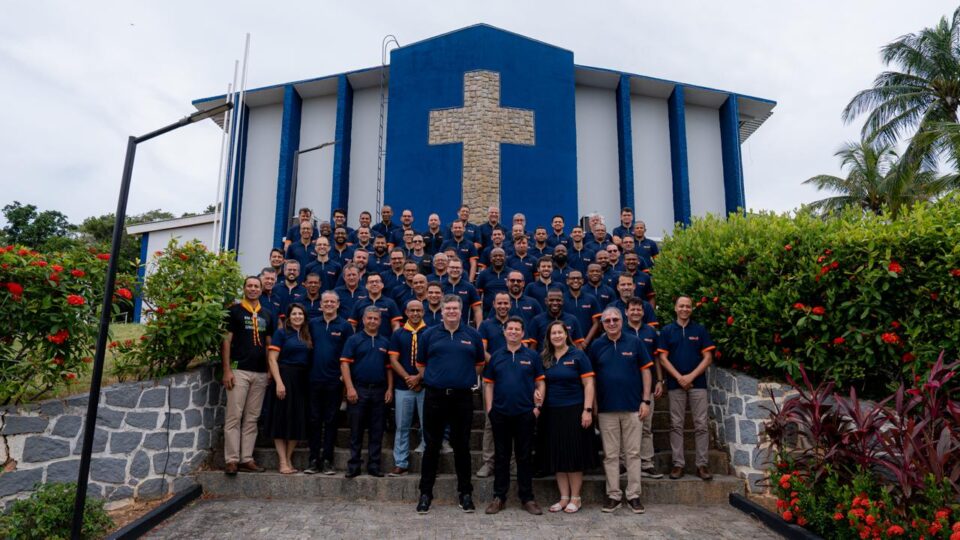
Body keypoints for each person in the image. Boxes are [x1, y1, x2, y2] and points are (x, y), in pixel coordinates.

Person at [415, 295, 485, 514]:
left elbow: (480, 364)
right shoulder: (429, 334)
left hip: (462, 398)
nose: (452, 312)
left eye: (455, 308)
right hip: (435, 397)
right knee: (431, 446)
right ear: (441, 311)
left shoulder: (472, 335)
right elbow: (421, 364)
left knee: (462, 446)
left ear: (461, 311)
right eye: (448, 309)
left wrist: (460, 378)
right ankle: (425, 494)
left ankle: (465, 493)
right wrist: (438, 379)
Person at [589, 307, 653, 514]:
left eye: (615, 319)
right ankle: (613, 495)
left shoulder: (635, 343)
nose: (612, 323)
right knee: (610, 455)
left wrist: (646, 401)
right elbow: (592, 378)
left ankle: (634, 495)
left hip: (633, 407)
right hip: (607, 409)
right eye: (607, 321)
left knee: (633, 453)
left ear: (622, 320)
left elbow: (646, 371)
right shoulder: (596, 346)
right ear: (603, 324)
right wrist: (594, 406)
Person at [482, 316, 545, 515]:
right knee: (501, 457)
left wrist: (537, 407)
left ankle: (527, 498)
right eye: (510, 329)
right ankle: (499, 497)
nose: (514, 332)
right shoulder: (496, 356)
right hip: (500, 414)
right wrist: (490, 409)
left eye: (518, 329)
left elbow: (541, 382)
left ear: (523, 333)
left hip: (525, 413)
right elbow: (489, 384)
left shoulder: (532, 356)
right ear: (504, 332)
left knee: (524, 457)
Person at [537, 320, 596, 513]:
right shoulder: (545, 357)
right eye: (553, 333)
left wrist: (587, 410)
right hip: (552, 412)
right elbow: (538, 382)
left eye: (559, 332)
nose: (556, 336)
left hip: (574, 410)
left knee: (573, 455)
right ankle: (563, 498)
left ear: (566, 334)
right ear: (549, 337)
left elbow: (589, 384)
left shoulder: (578, 355)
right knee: (558, 455)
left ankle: (576, 498)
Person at [221, 276, 276, 475]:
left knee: (252, 418)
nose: (253, 289)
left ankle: (247, 458)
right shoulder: (234, 311)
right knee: (234, 415)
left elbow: (270, 343)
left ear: (262, 290)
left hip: (260, 372)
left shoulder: (268, 314)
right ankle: (232, 459)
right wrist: (227, 369)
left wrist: (271, 369)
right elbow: (226, 341)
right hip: (239, 369)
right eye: (249, 286)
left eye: (256, 286)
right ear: (244, 288)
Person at [658, 296, 716, 481]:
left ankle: (702, 464)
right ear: (675, 308)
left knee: (701, 425)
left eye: (688, 306)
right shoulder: (667, 331)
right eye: (681, 306)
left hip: (697, 384)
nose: (685, 309)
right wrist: (679, 377)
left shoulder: (699, 329)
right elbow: (662, 358)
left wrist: (690, 377)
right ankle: (678, 464)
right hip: (675, 384)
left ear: (691, 309)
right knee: (676, 425)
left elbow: (708, 358)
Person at [340, 307, 394, 478]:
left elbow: (389, 368)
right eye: (369, 318)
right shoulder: (354, 340)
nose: (372, 321)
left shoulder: (385, 342)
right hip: (358, 389)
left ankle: (374, 465)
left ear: (380, 321)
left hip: (379, 390)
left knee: (377, 430)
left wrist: (390, 389)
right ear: (363, 320)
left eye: (375, 319)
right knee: (355, 430)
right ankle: (354, 465)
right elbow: (345, 364)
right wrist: (349, 388)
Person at [304, 291, 353, 475]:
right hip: (314, 379)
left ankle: (327, 460)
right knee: (314, 419)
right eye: (326, 301)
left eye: (333, 301)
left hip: (334, 380)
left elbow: (348, 354)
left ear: (338, 304)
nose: (329, 304)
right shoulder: (312, 324)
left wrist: (344, 377)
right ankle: (313, 459)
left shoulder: (345, 326)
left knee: (331, 420)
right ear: (321, 304)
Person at [264, 303, 312, 474]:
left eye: (300, 313)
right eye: (294, 314)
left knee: (296, 420)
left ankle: (289, 459)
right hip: (284, 378)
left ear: (304, 317)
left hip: (302, 381)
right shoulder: (281, 333)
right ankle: (282, 461)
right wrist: (279, 382)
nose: (297, 316)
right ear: (289, 316)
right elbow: (272, 359)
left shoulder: (307, 335)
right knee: (280, 420)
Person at [622, 298, 665, 479]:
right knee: (625, 426)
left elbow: (656, 359)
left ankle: (647, 464)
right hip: (626, 386)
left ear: (643, 311)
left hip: (647, 387)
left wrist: (660, 380)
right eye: (632, 310)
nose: (636, 312)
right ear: (626, 312)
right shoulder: (620, 330)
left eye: (639, 310)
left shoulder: (651, 332)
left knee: (646, 426)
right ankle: (624, 465)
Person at [388, 300, 429, 475]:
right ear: (405, 311)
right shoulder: (398, 334)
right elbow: (393, 360)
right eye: (411, 310)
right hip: (403, 387)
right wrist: (408, 379)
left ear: (423, 312)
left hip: (425, 386)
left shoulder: (430, 332)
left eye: (418, 310)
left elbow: (433, 359)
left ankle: (428, 461)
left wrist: (419, 378)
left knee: (427, 425)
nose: (415, 313)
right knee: (402, 426)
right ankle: (401, 462)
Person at [349, 273, 402, 338]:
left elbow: (395, 325)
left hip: (385, 344)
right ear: (366, 286)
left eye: (377, 281)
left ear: (382, 285)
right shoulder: (359, 303)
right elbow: (353, 325)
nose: (374, 284)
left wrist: (394, 342)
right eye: (371, 282)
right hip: (361, 344)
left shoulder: (390, 303)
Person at [563, 270, 601, 347]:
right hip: (566, 344)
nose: (576, 280)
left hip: (588, 344)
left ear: (583, 281)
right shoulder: (561, 299)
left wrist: (585, 342)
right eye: (572, 278)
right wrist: (570, 343)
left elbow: (596, 323)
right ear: (567, 281)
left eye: (578, 278)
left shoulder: (591, 299)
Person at [441, 258, 482, 327]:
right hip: (442, 327)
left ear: (462, 270)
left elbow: (477, 310)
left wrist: (480, 329)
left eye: (457, 268)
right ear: (447, 269)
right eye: (452, 267)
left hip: (463, 328)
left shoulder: (469, 287)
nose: (455, 270)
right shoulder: (440, 286)